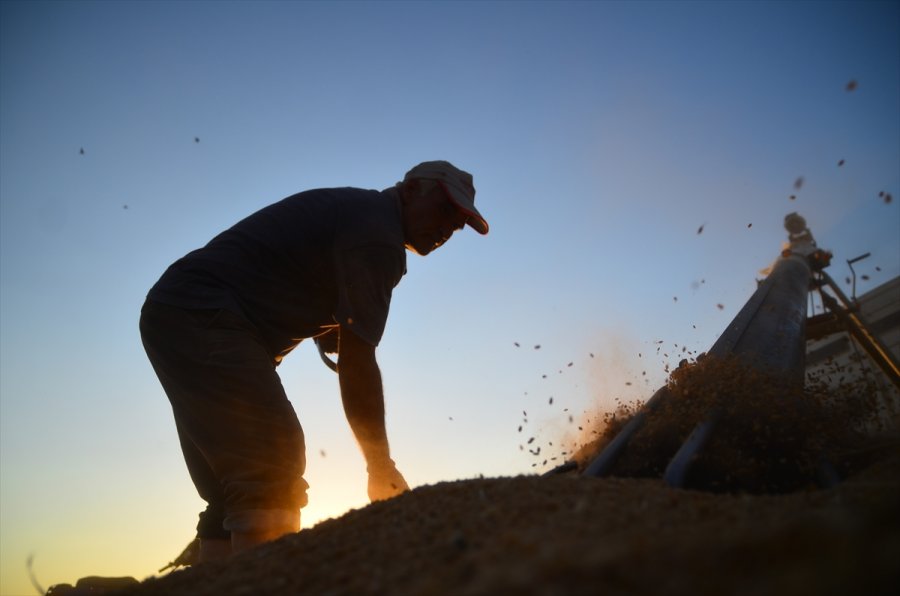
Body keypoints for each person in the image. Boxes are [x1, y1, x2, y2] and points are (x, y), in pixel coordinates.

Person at [140, 160, 489, 564]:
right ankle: (266, 584)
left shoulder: (360, 216)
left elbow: (290, 270)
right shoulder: (378, 237)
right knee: (271, 460)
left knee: (231, 485)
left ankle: (218, 579)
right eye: (446, 209)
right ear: (410, 191)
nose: (450, 228)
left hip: (176, 311)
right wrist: (380, 464)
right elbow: (359, 360)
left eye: (460, 222)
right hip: (203, 312)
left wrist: (328, 327)